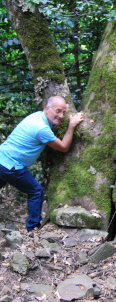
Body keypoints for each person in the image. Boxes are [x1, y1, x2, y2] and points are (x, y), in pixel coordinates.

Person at [0, 96, 83, 232]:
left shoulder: (37, 116)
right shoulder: (41, 128)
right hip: (10, 165)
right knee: (35, 191)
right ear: (46, 109)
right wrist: (71, 126)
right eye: (57, 111)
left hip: (2, 158)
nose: (61, 116)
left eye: (63, 112)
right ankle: (33, 228)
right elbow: (63, 147)